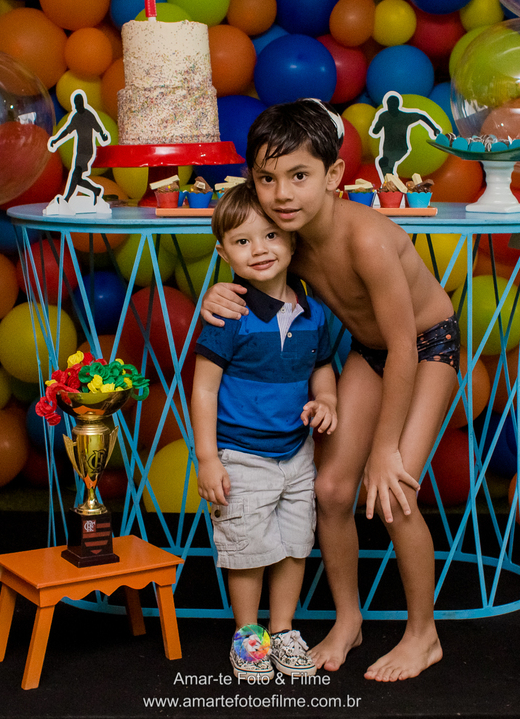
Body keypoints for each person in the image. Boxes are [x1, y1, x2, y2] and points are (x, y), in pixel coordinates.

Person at [200, 100, 459, 682]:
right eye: (267, 179)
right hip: (374, 355)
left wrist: (386, 449)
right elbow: (247, 269)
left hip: (424, 347)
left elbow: (403, 347)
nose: (281, 194)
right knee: (333, 488)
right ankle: (349, 619)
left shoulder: (365, 239)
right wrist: (212, 297)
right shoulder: (285, 238)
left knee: (393, 492)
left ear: (334, 176)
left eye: (299, 176)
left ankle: (424, 636)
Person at [192, 183, 338, 683]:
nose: (259, 249)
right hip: (241, 455)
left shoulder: (313, 312)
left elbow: (321, 367)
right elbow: (205, 389)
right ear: (222, 251)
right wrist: (208, 459)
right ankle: (248, 634)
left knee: (295, 545)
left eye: (271, 235)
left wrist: (329, 400)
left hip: (295, 454)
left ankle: (283, 630)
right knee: (249, 549)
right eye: (242, 241)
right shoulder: (228, 312)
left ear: (293, 241)